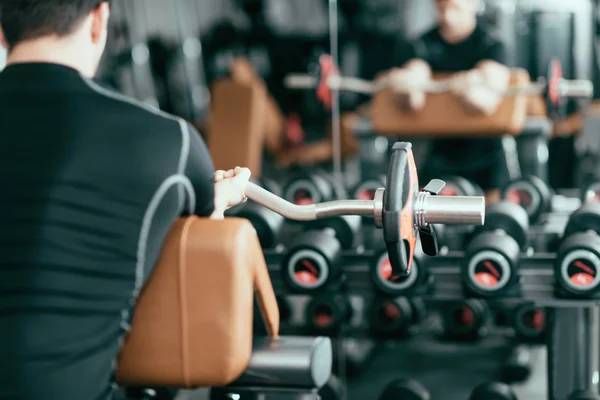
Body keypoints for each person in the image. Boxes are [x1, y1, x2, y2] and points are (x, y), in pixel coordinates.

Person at [0, 1, 250, 399]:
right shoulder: (169, 142)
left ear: (1, 31)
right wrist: (216, 201)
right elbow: (199, 255)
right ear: (100, 20)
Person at [386, 0, 512, 202]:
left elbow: (487, 100)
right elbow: (412, 97)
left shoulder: (491, 44)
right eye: (442, 9)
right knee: (429, 226)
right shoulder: (420, 45)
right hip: (437, 158)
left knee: (492, 222)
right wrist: (409, 83)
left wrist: (468, 87)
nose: (448, 17)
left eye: (456, 8)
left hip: (487, 161)